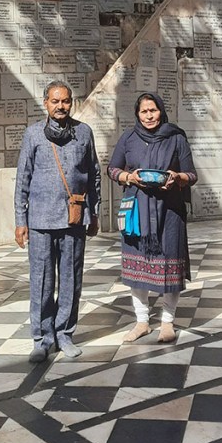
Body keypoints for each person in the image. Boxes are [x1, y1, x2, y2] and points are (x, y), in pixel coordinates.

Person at [14, 80, 100, 363]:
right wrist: (21, 220)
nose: (61, 106)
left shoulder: (84, 133)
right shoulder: (33, 134)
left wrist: (94, 212)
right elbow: (23, 178)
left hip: (74, 220)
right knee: (41, 281)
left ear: (71, 103)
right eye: (55, 101)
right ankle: (42, 339)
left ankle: (64, 334)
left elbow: (94, 174)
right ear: (46, 103)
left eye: (65, 101)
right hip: (40, 220)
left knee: (71, 280)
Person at [108, 91, 197, 344]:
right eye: (144, 111)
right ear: (137, 114)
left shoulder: (176, 138)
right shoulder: (128, 138)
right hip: (137, 211)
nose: (149, 116)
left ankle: (167, 322)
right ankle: (142, 322)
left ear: (161, 111)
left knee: (170, 266)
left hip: (170, 212)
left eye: (153, 110)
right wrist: (129, 177)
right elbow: (112, 169)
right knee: (137, 267)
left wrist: (177, 177)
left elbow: (191, 175)